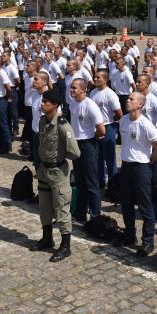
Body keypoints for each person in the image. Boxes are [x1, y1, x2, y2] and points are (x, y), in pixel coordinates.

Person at [31, 89, 81, 262]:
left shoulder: (62, 125)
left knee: (61, 209)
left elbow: (75, 152)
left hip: (58, 172)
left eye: (46, 102)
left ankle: (65, 246)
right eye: (42, 101)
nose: (42, 104)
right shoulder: (42, 122)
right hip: (44, 170)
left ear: (55, 105)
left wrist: (59, 157)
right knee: (44, 207)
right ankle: (47, 238)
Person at [114, 92, 157, 257]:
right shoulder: (123, 121)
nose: (127, 101)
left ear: (140, 105)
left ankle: (148, 241)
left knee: (145, 205)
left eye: (131, 99)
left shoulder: (146, 125)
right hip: (126, 167)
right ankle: (129, 234)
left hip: (141, 168)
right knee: (126, 203)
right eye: (128, 98)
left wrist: (149, 161)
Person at [69, 78, 105, 223]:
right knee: (79, 180)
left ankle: (95, 216)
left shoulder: (90, 105)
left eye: (74, 88)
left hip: (88, 144)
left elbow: (101, 129)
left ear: (83, 90)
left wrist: (91, 139)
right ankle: (80, 212)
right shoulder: (72, 104)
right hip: (76, 144)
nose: (71, 90)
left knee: (91, 182)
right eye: (71, 88)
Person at [91, 69, 122, 187]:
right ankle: (101, 181)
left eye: (98, 78)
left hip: (108, 126)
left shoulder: (110, 94)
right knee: (98, 156)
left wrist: (110, 122)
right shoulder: (93, 92)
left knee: (110, 157)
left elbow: (119, 113)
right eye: (95, 77)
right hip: (95, 127)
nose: (95, 79)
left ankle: (113, 184)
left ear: (105, 80)